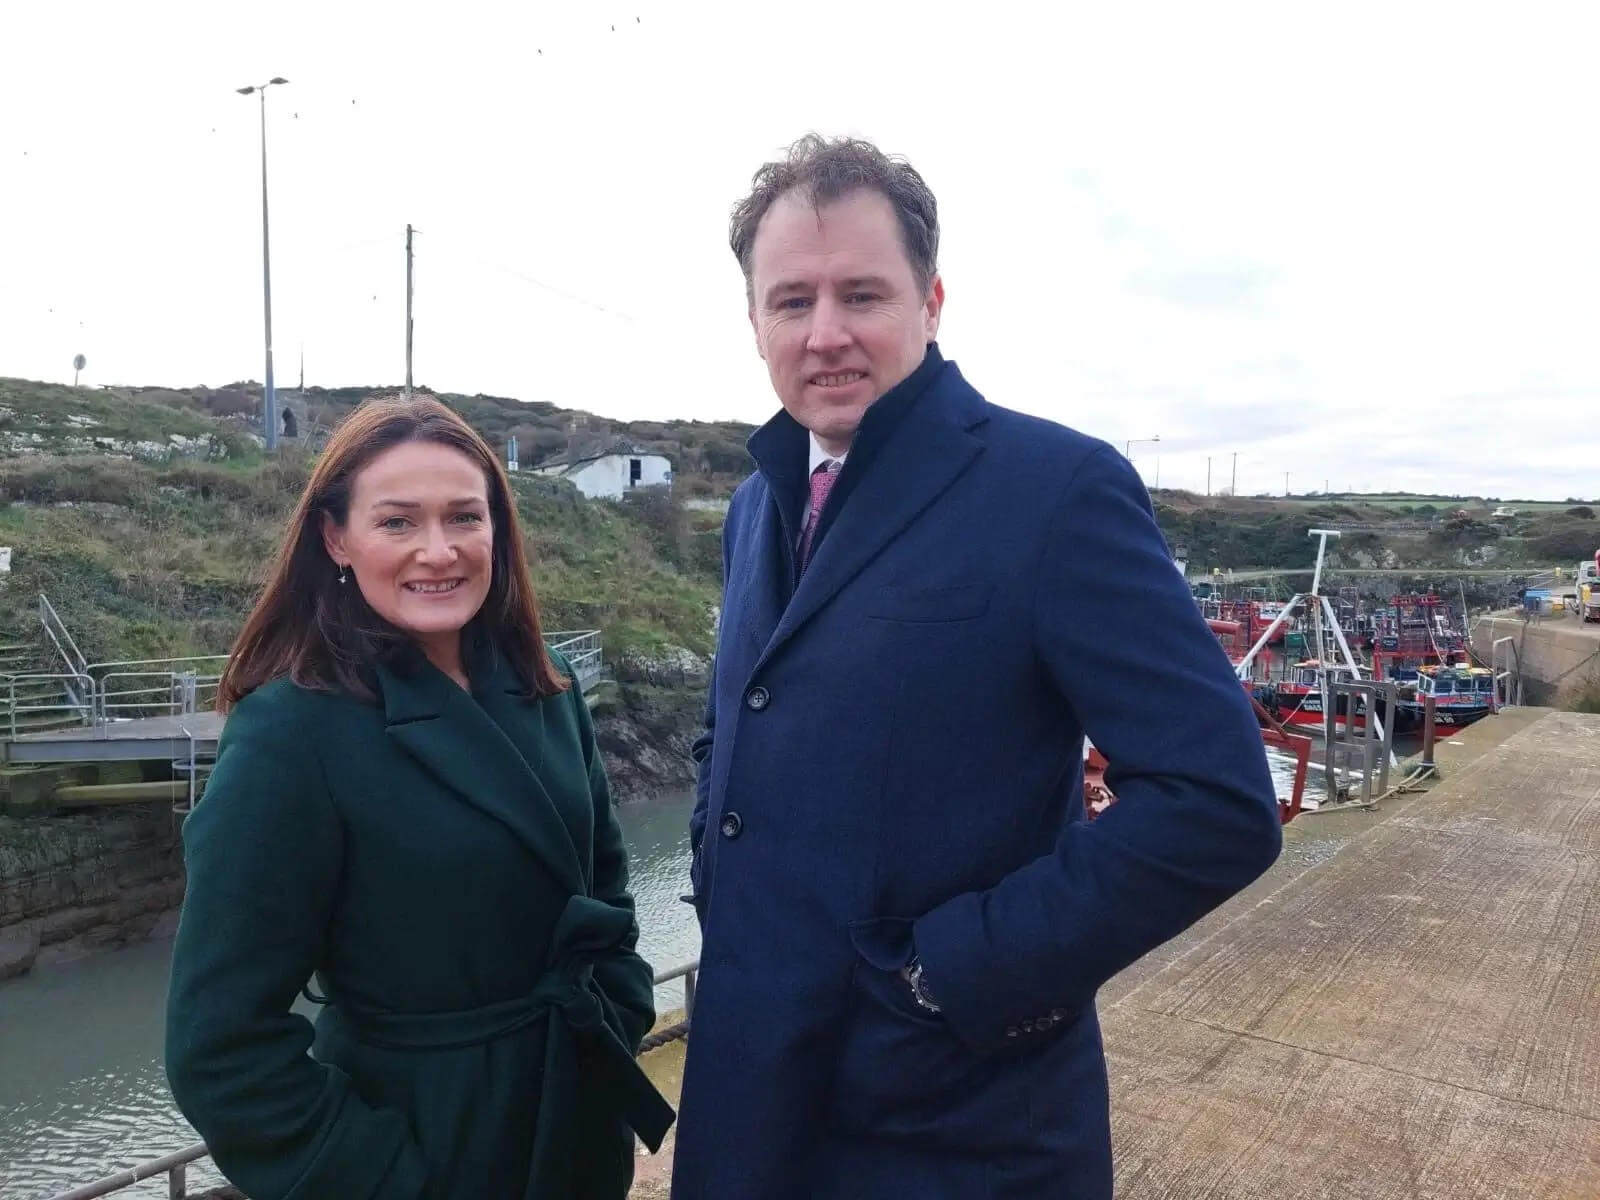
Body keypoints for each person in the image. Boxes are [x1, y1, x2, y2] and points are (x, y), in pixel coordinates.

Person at [674, 135, 1283, 1199]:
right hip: (751, 1086)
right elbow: (739, 720)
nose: (825, 335)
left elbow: (1215, 800)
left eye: (861, 294)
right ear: (754, 321)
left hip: (953, 1117)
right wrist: (712, 870)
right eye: (791, 301)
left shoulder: (1054, 490)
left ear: (931, 300)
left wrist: (956, 975)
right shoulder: (754, 502)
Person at [165, 396, 673, 1200]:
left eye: (464, 517)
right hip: (427, 1145)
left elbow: (604, 888)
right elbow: (219, 1047)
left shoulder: (548, 688)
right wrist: (384, 1180)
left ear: (497, 533)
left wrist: (617, 1005)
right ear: (337, 537)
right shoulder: (291, 734)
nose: (438, 552)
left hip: (576, 1129)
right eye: (398, 522)